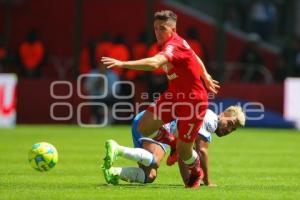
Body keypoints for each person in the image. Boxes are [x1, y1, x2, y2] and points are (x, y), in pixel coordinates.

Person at [101, 10, 219, 188]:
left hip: (194, 102)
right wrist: (206, 75)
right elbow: (194, 56)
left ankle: (196, 171)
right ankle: (172, 143)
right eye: (155, 28)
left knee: (185, 150)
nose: (158, 32)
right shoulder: (176, 43)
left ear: (173, 29)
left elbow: (155, 64)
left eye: (162, 28)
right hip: (173, 97)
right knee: (144, 127)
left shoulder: (173, 45)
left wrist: (123, 64)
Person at [101, 106, 245, 186]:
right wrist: (207, 181)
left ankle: (114, 172)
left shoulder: (207, 118)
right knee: (155, 160)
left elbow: (184, 152)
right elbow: (202, 151)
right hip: (157, 122)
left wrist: (188, 181)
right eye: (230, 124)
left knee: (149, 176)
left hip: (149, 119)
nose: (229, 130)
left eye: (233, 129)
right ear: (223, 114)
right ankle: (117, 149)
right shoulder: (211, 120)